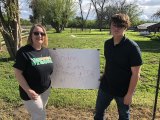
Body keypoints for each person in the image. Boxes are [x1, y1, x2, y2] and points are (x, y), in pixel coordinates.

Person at [94, 13, 143, 120]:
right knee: (98, 113)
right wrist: (104, 75)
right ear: (110, 25)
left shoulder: (132, 47)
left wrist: (129, 94)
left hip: (123, 90)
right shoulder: (107, 44)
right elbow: (109, 62)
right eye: (114, 25)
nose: (116, 28)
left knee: (124, 116)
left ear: (125, 28)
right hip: (106, 87)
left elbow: (136, 74)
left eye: (120, 26)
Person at [13, 24, 53, 120]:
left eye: (42, 33)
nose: (39, 35)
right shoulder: (24, 52)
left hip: (45, 90)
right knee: (40, 116)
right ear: (31, 35)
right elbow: (17, 73)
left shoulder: (46, 51)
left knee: (38, 114)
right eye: (36, 33)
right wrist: (28, 90)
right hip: (31, 93)